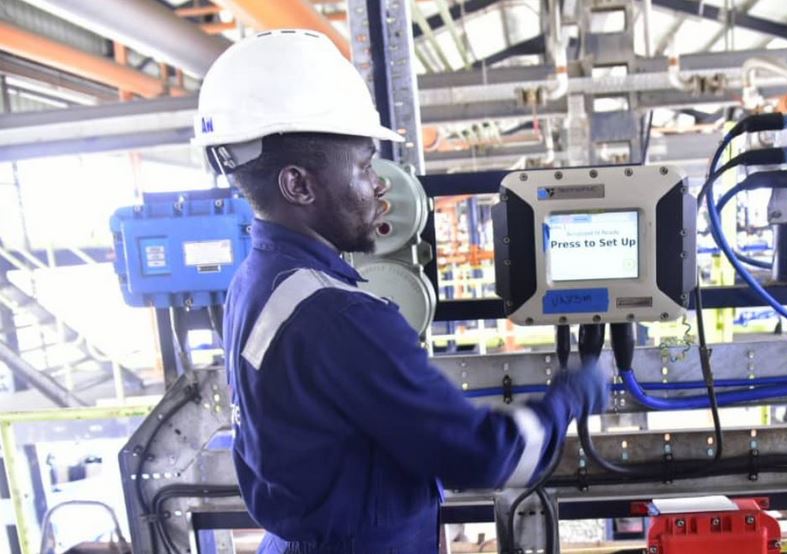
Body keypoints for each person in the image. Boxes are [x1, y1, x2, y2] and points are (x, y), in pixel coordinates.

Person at [193, 30, 608, 553]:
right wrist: (568, 396)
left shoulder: (256, 280)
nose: (380, 184)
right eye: (365, 166)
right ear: (299, 185)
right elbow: (486, 457)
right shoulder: (338, 316)